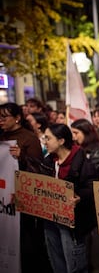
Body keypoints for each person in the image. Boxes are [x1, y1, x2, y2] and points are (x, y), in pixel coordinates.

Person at [0, 102, 52, 273]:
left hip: (23, 200)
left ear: (17, 118)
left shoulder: (29, 139)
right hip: (3, 197)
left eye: (4, 117)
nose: (0, 121)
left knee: (25, 241)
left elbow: (38, 171)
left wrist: (21, 157)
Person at [41, 123, 99, 273]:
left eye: (48, 138)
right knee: (56, 260)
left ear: (61, 141)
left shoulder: (82, 162)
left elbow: (93, 186)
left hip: (72, 222)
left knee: (74, 264)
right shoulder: (48, 162)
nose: (44, 141)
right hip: (50, 220)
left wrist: (79, 197)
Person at [70, 119, 99, 273]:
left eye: (76, 133)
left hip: (97, 202)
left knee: (98, 244)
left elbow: (91, 173)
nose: (73, 137)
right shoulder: (77, 150)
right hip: (85, 203)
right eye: (72, 133)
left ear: (86, 133)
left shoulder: (96, 150)